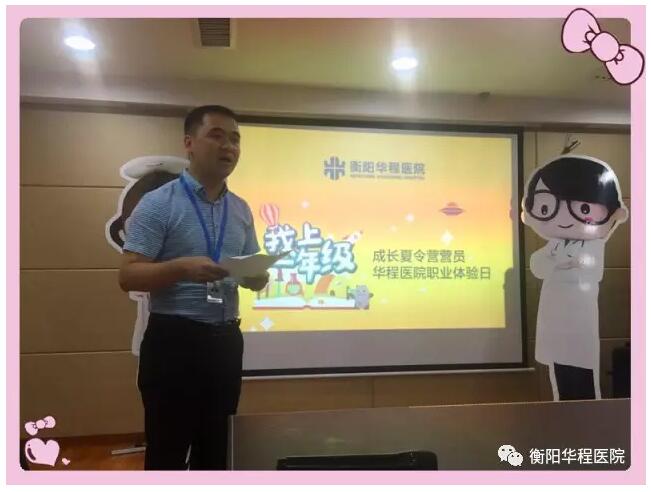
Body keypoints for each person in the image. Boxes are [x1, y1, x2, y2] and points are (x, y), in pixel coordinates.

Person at [119, 105, 269, 470]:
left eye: (235, 139)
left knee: (217, 450)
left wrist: (256, 277)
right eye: (216, 136)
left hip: (225, 341)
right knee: (167, 452)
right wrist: (181, 268)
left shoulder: (240, 209)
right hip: (174, 341)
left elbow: (250, 264)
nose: (228, 146)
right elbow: (128, 275)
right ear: (189, 143)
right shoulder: (158, 203)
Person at [521, 155, 627, 401]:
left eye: (583, 209)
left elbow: (589, 271)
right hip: (555, 320)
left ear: (614, 213)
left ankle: (584, 419)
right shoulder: (556, 244)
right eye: (546, 209)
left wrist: (558, 264)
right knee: (560, 374)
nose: (565, 219)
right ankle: (566, 416)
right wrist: (563, 264)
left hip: (578, 322)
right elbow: (537, 265)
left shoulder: (594, 245)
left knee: (581, 377)